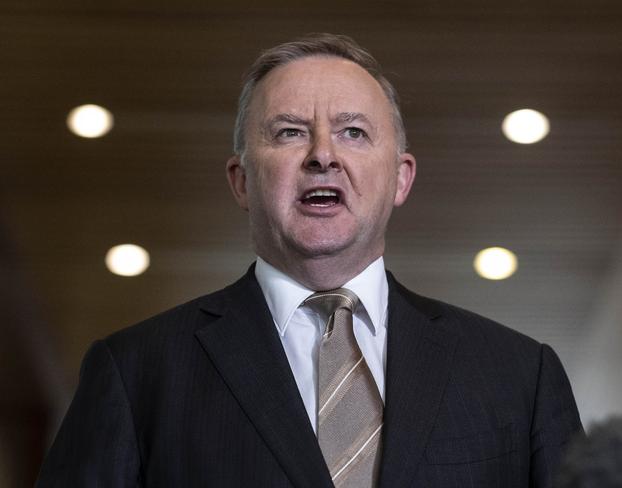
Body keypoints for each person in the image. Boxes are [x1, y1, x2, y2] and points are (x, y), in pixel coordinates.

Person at [36, 33, 583, 487]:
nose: (323, 154)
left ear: (400, 178)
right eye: (291, 132)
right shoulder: (135, 373)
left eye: (353, 132)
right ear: (242, 180)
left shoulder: (520, 376)